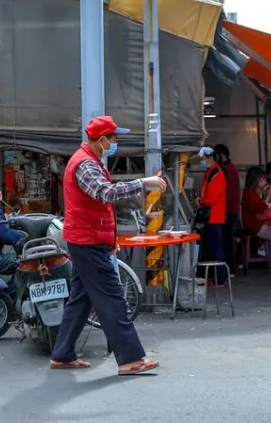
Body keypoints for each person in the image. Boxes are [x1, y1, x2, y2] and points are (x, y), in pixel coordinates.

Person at [50, 116, 167, 375]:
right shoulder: (85, 165)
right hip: (88, 242)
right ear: (102, 140)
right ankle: (130, 358)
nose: (115, 142)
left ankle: (62, 353)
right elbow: (106, 193)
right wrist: (142, 183)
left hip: (87, 240)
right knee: (113, 298)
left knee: (80, 299)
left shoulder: (88, 161)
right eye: (113, 138)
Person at [197, 146, 227, 284]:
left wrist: (201, 202)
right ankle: (213, 278)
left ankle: (219, 279)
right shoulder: (211, 172)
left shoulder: (216, 173)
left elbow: (211, 197)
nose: (201, 161)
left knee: (215, 248)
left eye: (202, 159)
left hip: (213, 216)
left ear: (209, 158)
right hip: (211, 216)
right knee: (212, 248)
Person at [213, 144, 240, 276]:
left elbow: (229, 192)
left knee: (226, 240)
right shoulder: (229, 168)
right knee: (225, 239)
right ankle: (229, 269)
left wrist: (223, 211)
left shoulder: (229, 169)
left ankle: (229, 269)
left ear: (221, 155)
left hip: (228, 210)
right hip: (229, 209)